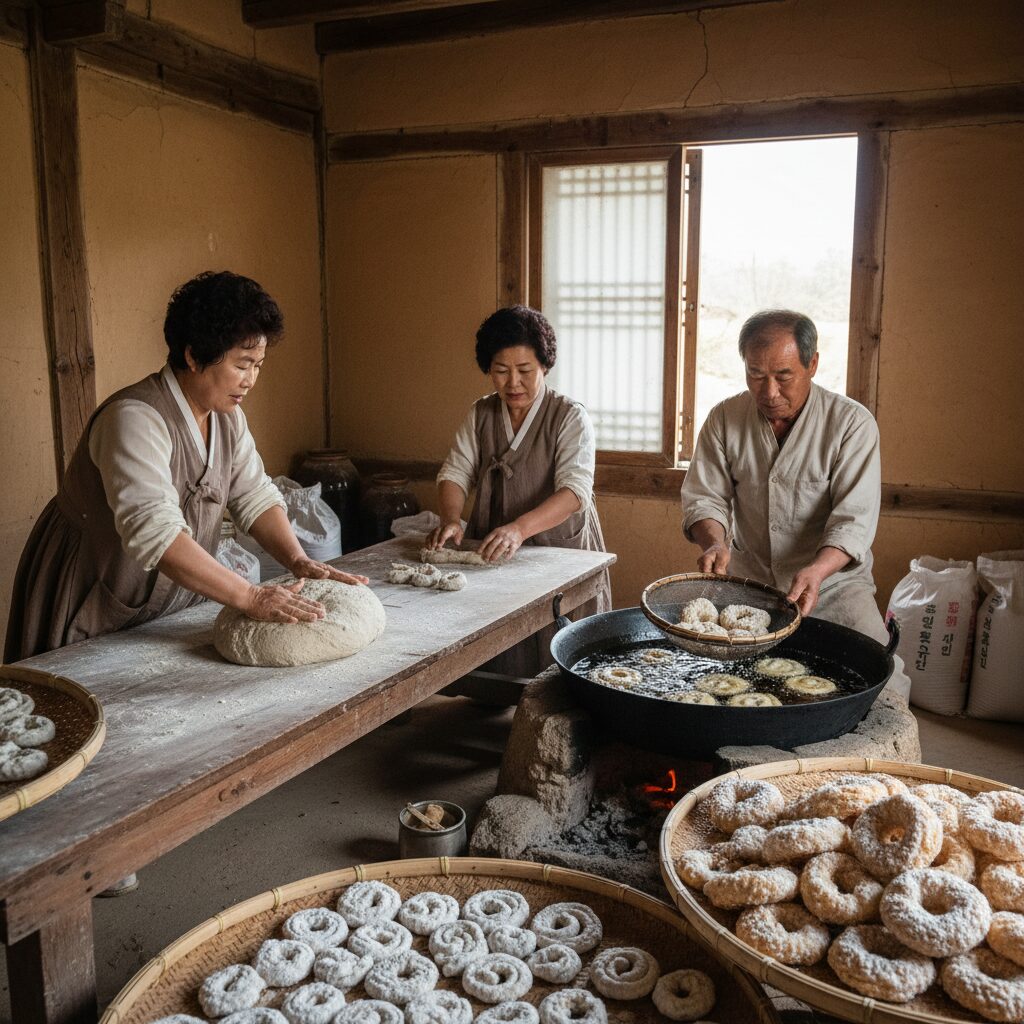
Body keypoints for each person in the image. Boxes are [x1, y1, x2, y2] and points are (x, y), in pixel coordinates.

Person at [5, 270, 368, 663]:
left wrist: (298, 561)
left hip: (158, 600)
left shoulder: (227, 417)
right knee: (82, 706)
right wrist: (250, 595)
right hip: (92, 590)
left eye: (259, 365)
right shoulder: (133, 420)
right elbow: (155, 532)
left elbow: (254, 495)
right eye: (242, 364)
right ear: (194, 355)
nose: (251, 380)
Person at [680, 308, 910, 698]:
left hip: (836, 586)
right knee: (731, 686)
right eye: (756, 375)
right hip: (752, 585)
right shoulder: (724, 418)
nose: (769, 392)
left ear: (813, 364)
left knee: (883, 681)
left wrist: (818, 571)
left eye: (783, 376)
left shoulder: (852, 424)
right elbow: (706, 497)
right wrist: (715, 543)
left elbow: (853, 521)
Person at [426, 305, 610, 678]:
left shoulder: (569, 416)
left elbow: (575, 491)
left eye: (525, 371)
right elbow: (456, 472)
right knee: (501, 650)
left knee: (562, 654)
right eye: (500, 371)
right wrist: (451, 519)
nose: (513, 383)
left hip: (557, 545)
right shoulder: (481, 414)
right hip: (497, 543)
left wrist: (520, 529)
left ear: (544, 366)